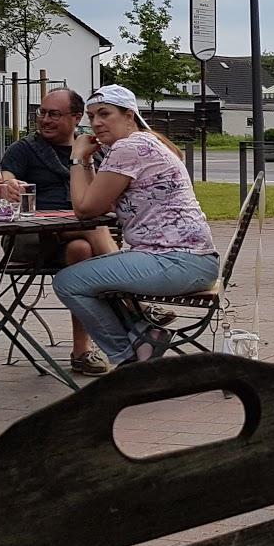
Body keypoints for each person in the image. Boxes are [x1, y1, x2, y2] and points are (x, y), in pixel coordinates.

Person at [54, 85, 219, 367]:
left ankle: (128, 360)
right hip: (191, 261)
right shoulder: (146, 143)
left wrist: (77, 157)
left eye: (104, 114)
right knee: (94, 276)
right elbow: (98, 202)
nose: (96, 123)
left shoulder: (129, 147)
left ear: (129, 115)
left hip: (175, 261)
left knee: (68, 282)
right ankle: (145, 334)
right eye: (91, 116)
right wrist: (89, 161)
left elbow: (84, 209)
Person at [0, 88, 117, 377]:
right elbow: (1, 178)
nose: (45, 120)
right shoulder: (24, 149)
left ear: (76, 118)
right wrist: (7, 186)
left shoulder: (93, 151)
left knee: (82, 250)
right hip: (30, 239)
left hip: (77, 241)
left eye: (54, 114)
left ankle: (81, 352)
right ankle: (132, 297)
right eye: (42, 112)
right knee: (92, 230)